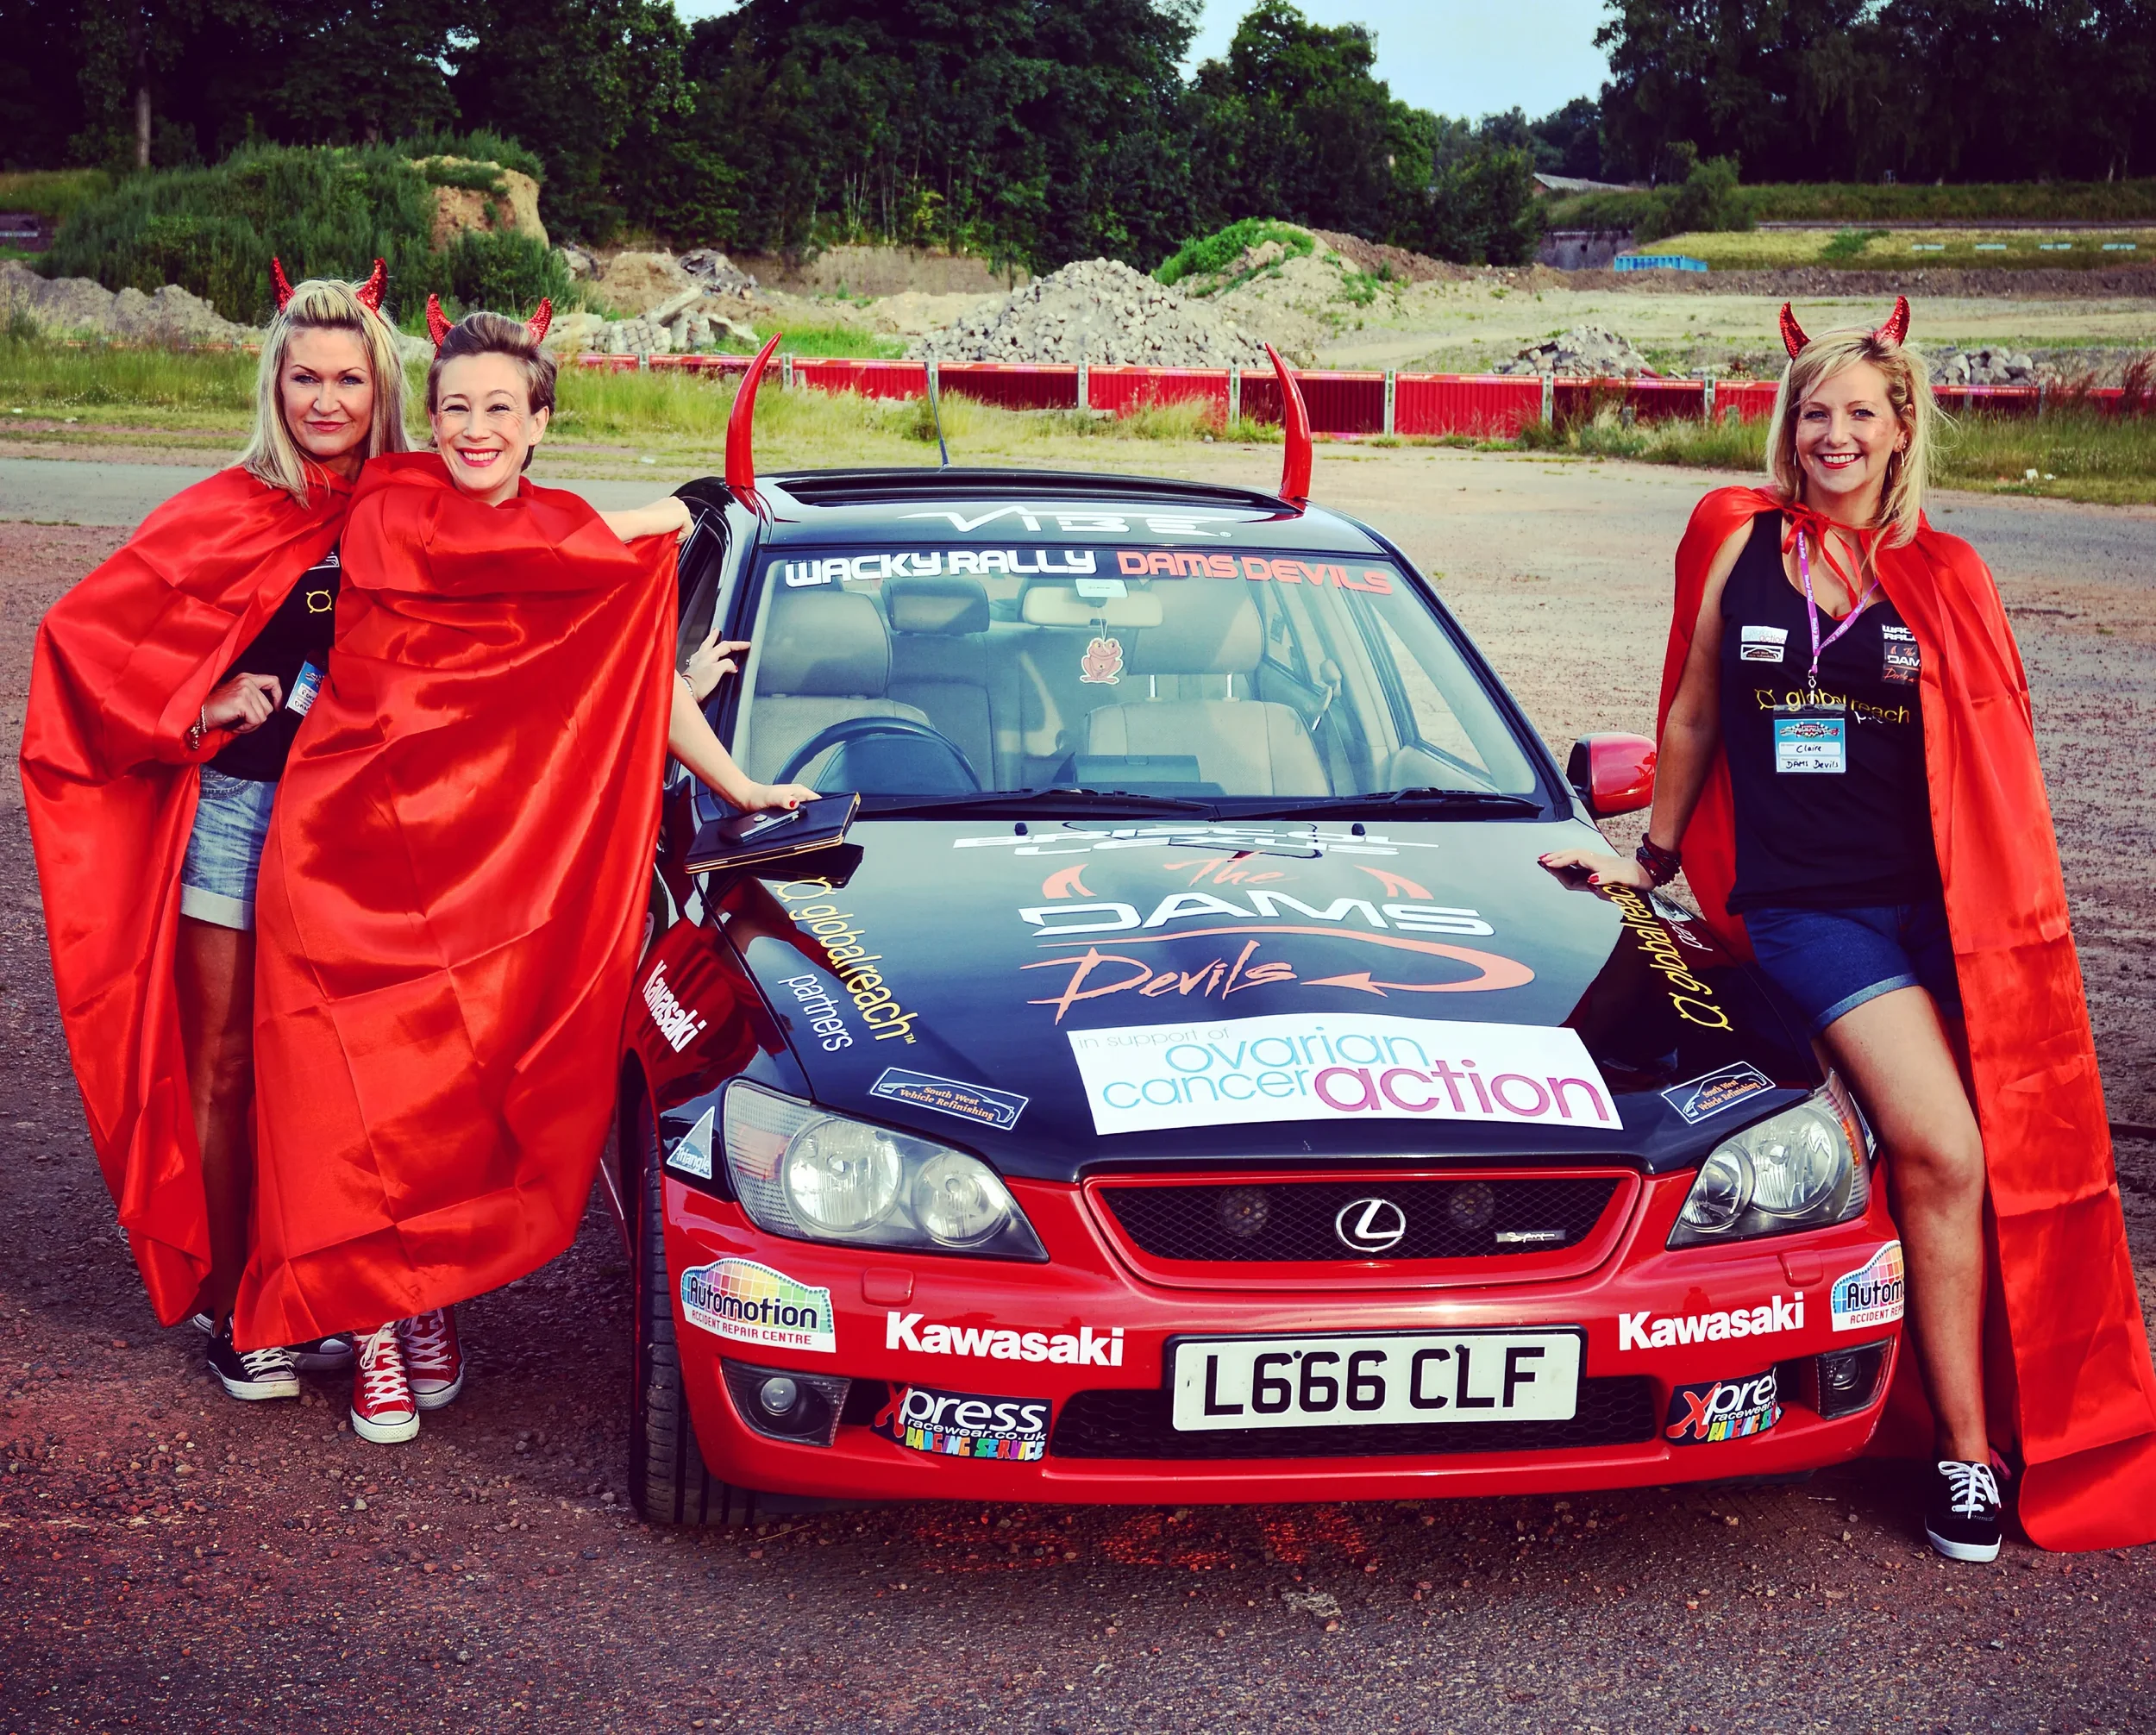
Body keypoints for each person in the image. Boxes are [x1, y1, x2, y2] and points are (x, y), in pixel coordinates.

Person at [1543, 298, 2156, 1561]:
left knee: (2025, 1159)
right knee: (1943, 1148)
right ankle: (1967, 1458)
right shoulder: (1738, 543)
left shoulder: (1949, 572)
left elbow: (1996, 764)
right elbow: (1698, 716)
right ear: (1790, 425)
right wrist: (1647, 861)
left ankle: (1977, 1394)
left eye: (1857, 414)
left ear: (1899, 428)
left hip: (1949, 912)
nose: (1832, 434)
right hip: (1813, 913)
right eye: (1813, 412)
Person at [234, 299, 814, 1443]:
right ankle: (375, 1337)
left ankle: (427, 1295)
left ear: (541, 419)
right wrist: (657, 517)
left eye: (502, 408)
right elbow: (485, 551)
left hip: (483, 871)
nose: (475, 428)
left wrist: (741, 787)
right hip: (344, 856)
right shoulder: (397, 501)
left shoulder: (571, 536)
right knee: (348, 1106)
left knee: (454, 1096)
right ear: (431, 419)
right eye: (455, 408)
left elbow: (636, 681)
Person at [22, 261, 411, 1403]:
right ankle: (248, 1305)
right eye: (306, 377)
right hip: (240, 817)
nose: (327, 400)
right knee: (230, 1066)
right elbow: (78, 641)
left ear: (378, 389)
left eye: (349, 379)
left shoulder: (408, 508)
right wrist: (193, 710)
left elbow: (530, 596)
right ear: (275, 383)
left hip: (359, 832)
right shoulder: (225, 510)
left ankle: (334, 1291)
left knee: (341, 1074)